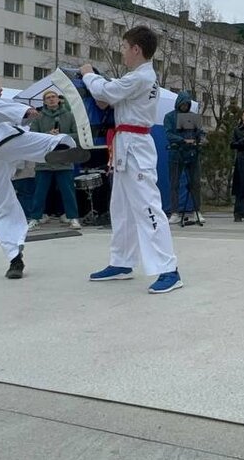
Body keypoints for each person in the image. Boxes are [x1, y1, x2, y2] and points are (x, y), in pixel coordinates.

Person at [81, 26, 183, 293]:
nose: (122, 53)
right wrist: (105, 97)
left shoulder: (141, 77)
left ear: (136, 49)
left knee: (147, 206)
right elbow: (110, 99)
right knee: (122, 207)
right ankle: (122, 262)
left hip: (136, 146)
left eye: (124, 47)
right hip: (125, 145)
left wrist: (88, 75)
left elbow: (106, 90)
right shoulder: (137, 77)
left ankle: (168, 268)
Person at [0, 72, 88, 279]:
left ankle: (14, 257)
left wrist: (20, 117)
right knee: (29, 141)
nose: (0, 88)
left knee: (1, 206)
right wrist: (24, 110)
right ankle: (59, 146)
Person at [28, 89, 82, 230]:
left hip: (64, 159)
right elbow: (31, 137)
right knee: (39, 192)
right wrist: (47, 135)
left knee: (68, 192)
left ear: (59, 99)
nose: (51, 99)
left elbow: (77, 135)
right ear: (44, 101)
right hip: (44, 161)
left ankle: (73, 218)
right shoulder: (38, 118)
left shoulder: (69, 116)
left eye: (54, 97)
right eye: (48, 98)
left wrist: (62, 136)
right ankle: (35, 218)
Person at [163, 92, 205, 224]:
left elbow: (200, 132)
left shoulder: (192, 117)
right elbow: (169, 134)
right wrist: (183, 140)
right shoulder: (170, 116)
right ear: (178, 103)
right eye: (183, 103)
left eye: (187, 104)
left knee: (195, 183)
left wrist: (203, 138)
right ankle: (174, 212)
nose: (185, 106)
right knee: (174, 183)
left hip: (192, 154)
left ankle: (196, 211)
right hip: (176, 154)